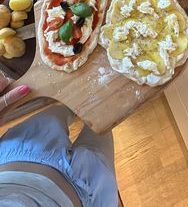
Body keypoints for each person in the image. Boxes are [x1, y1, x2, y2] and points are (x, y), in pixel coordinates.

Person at [0, 72, 118, 206]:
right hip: (90, 193)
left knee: (58, 112)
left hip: (21, 150)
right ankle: (100, 104)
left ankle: (79, 104)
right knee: (102, 128)